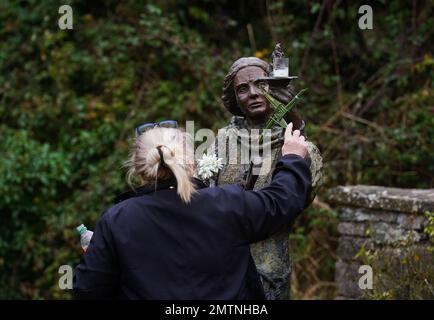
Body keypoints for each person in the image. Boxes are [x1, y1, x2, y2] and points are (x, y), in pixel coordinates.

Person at [73, 122, 311, 299]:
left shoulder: (117, 221)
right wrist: (291, 159)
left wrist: (100, 256)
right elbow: (281, 202)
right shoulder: (227, 203)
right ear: (191, 161)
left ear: (137, 169)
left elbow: (88, 291)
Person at [216, 56, 323, 299]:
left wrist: (294, 121)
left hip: (269, 266)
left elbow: (304, 191)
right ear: (235, 99)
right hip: (224, 262)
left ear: (274, 89)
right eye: (242, 89)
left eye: (261, 85)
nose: (253, 93)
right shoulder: (223, 140)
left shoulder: (290, 141)